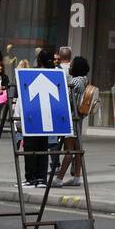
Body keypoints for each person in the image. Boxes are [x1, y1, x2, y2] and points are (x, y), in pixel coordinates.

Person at [54, 55, 95, 188]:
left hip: (71, 117)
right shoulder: (85, 80)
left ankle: (59, 178)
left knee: (68, 150)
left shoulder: (75, 82)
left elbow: (67, 99)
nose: (70, 67)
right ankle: (77, 176)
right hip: (79, 118)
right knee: (77, 149)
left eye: (71, 66)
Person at [20, 48, 57, 186]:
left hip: (33, 114)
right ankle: (42, 177)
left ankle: (31, 178)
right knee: (43, 147)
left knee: (30, 147)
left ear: (39, 60)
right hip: (47, 116)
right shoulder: (55, 73)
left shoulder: (32, 73)